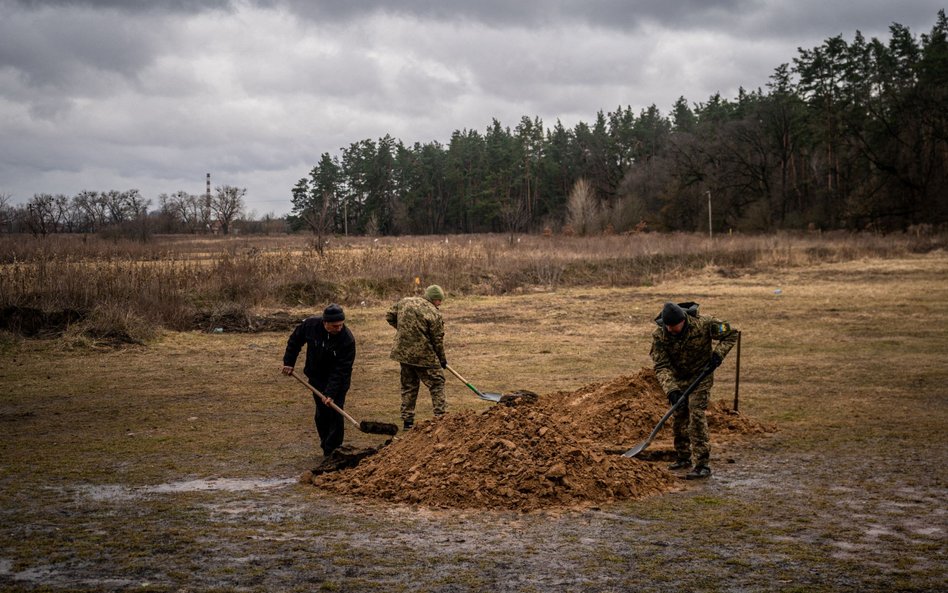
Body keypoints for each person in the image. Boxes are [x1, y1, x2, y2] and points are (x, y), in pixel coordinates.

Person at [650, 301, 738, 479]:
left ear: (683, 321)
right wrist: (671, 389)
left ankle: (702, 464)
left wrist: (717, 356)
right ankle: (683, 457)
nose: (670, 330)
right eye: (667, 326)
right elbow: (661, 365)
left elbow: (731, 333)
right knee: (679, 414)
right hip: (678, 378)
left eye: (673, 326)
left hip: (701, 376)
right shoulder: (660, 335)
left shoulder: (705, 324)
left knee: (696, 414)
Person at [282, 303, 355, 457]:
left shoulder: (347, 340)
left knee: (335, 413)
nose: (339, 329)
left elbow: (341, 370)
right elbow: (295, 341)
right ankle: (326, 447)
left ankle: (333, 451)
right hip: (316, 378)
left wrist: (331, 393)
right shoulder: (310, 326)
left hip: (338, 381)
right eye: (335, 326)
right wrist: (289, 362)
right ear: (325, 322)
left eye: (341, 325)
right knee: (322, 414)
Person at [386, 284, 447, 430]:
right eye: (439, 300)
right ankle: (441, 418)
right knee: (437, 383)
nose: (440, 303)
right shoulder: (434, 313)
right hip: (424, 356)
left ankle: (408, 422)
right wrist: (442, 359)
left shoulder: (405, 301)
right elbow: (437, 339)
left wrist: (405, 331)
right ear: (434, 299)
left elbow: (389, 315)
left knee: (409, 386)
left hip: (404, 354)